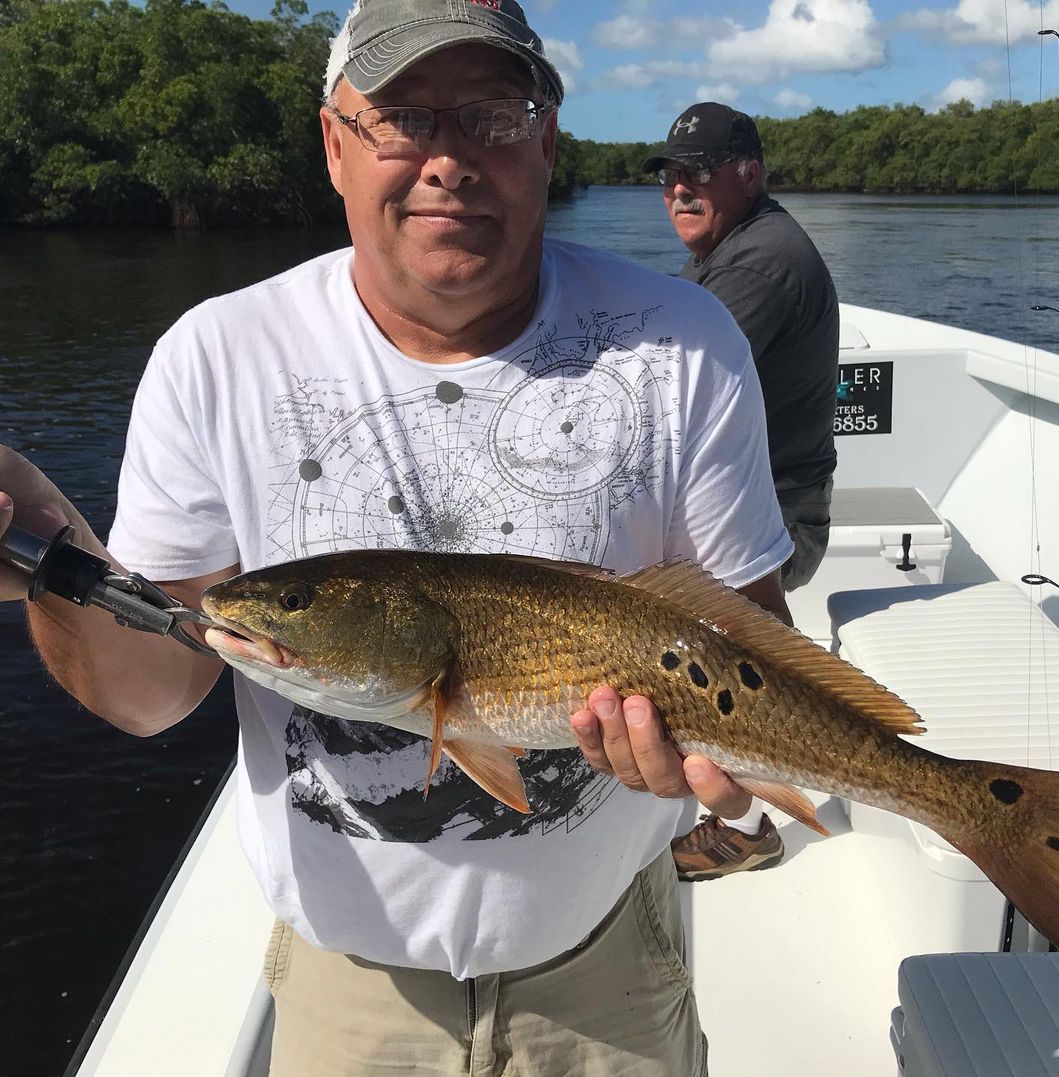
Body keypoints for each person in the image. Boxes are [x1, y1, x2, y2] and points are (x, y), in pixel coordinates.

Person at [0, 4, 794, 1074]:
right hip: (349, 987)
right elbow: (149, 696)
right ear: (333, 143)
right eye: (404, 119)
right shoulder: (218, 358)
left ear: (547, 141)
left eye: (493, 116)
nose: (450, 159)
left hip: (611, 962)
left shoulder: (681, 342)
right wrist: (43, 547)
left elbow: (755, 640)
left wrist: (727, 761)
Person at [643, 103, 839, 884]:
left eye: (699, 173)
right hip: (780, 495)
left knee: (655, 620)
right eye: (670, 177)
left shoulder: (759, 267)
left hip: (786, 521)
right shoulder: (737, 248)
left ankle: (746, 824)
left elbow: (660, 384)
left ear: (748, 174)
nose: (680, 191)